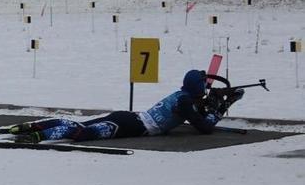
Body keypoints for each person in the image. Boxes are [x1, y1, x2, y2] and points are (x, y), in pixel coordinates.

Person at [13, 70, 244, 143]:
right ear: (196, 88)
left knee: (79, 126)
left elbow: (198, 114)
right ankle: (35, 136)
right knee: (82, 133)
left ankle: (33, 127)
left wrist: (214, 104)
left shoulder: (183, 96)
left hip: (130, 118)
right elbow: (203, 126)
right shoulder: (185, 102)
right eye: (202, 86)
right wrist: (220, 108)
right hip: (130, 124)